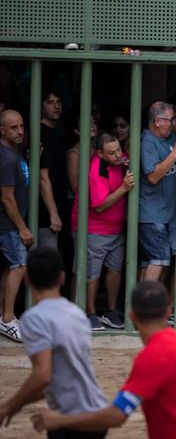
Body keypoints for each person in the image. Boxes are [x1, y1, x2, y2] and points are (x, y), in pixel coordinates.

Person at [31, 281, 176, 439]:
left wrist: (61, 420)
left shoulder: (151, 357)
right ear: (168, 312)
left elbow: (117, 416)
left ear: (132, 316)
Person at [0, 247, 107, 436]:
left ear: (28, 280)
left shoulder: (34, 318)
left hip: (70, 417)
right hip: (97, 412)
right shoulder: (76, 313)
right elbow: (61, 376)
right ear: (62, 278)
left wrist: (10, 406)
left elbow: (43, 375)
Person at [71, 133, 134, 331]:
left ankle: (111, 311)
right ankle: (89, 314)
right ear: (100, 153)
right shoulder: (96, 170)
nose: (118, 155)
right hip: (94, 229)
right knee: (92, 274)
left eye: (119, 150)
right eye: (112, 153)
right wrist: (124, 188)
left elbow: (125, 160)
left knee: (115, 270)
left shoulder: (120, 159)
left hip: (116, 228)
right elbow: (100, 205)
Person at [138, 102, 176, 283]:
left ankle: (151, 300)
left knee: (161, 261)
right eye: (171, 120)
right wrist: (175, 152)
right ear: (157, 121)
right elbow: (153, 177)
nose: (173, 123)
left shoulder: (170, 138)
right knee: (158, 260)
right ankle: (145, 301)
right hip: (153, 214)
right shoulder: (147, 141)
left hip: (170, 213)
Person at [0, 109, 30, 343]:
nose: (20, 131)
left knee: (11, 268)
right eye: (14, 128)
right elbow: (7, 198)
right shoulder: (6, 159)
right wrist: (22, 227)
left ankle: (3, 315)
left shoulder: (14, 151)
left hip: (10, 223)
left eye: (21, 126)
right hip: (8, 224)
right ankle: (8, 319)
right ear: (2, 130)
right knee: (20, 266)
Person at [37, 90, 69, 253]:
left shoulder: (55, 134)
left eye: (58, 101)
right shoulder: (41, 134)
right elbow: (42, 177)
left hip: (56, 207)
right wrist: (53, 213)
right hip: (45, 214)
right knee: (47, 262)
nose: (56, 106)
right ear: (40, 106)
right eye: (50, 102)